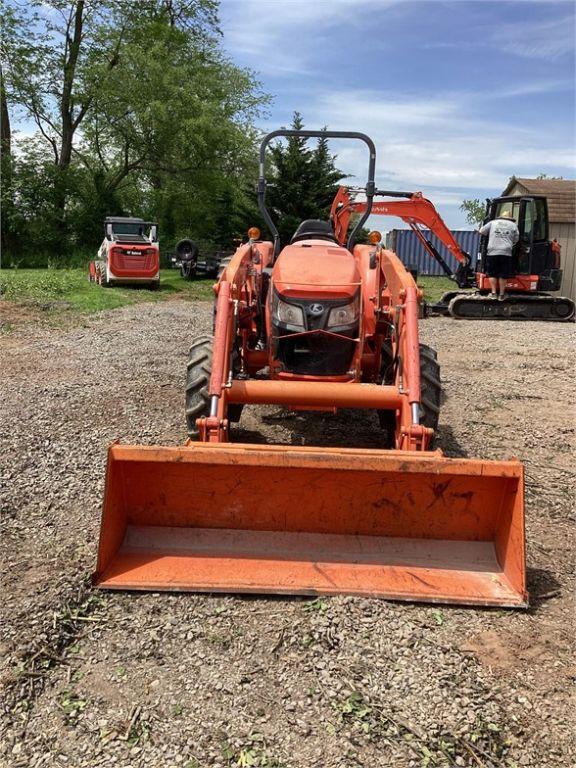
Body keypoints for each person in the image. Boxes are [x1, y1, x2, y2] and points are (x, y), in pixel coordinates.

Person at [478, 211, 519, 300]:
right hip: (506, 252)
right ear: (510, 218)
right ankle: (501, 294)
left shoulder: (493, 223)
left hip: (493, 251)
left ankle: (493, 293)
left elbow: (481, 231)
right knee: (503, 274)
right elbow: (516, 239)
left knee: (492, 273)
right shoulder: (513, 225)